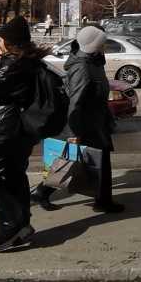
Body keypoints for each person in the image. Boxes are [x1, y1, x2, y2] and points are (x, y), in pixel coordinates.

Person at [0, 16, 47, 252]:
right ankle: (20, 223)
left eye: (1, 39)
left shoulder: (14, 63)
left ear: (10, 42)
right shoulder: (27, 61)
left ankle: (10, 224)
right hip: (20, 130)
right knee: (14, 176)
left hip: (4, 129)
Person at [33, 27, 123, 213]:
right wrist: (73, 132)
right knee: (75, 160)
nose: (105, 46)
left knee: (83, 160)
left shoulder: (94, 61)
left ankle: (44, 192)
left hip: (96, 120)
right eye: (102, 43)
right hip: (86, 123)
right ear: (94, 45)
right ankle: (102, 201)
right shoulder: (82, 67)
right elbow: (75, 101)